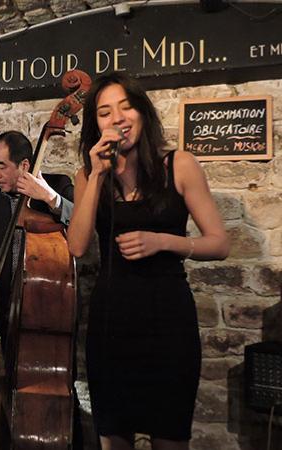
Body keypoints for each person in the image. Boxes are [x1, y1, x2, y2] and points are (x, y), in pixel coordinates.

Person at [67, 72, 229, 450]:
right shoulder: (88, 175)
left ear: (142, 112)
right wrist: (95, 177)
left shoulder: (180, 164)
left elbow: (219, 243)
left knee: (169, 439)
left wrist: (163, 241)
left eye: (126, 107)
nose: (118, 119)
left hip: (167, 325)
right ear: (97, 125)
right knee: (114, 438)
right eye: (106, 113)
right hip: (111, 325)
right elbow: (76, 246)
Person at [0, 130, 73, 341]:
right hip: (8, 311)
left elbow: (81, 223)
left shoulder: (58, 185)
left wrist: (50, 198)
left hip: (50, 310)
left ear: (24, 165)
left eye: (2, 166)